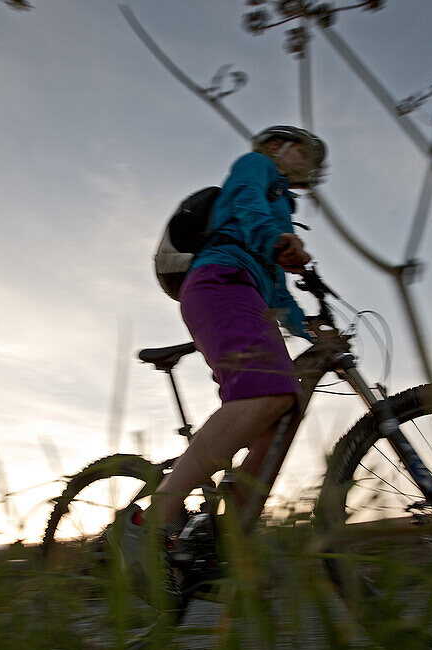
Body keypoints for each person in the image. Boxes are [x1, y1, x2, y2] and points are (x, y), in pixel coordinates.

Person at [111, 125, 327, 605]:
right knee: (266, 394)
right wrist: (277, 239)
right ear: (276, 147)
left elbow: (275, 292)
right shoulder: (256, 170)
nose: (308, 163)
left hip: (245, 289)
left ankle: (222, 547)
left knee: (283, 413)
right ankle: (149, 525)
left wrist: (311, 329)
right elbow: (248, 207)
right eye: (303, 152)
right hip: (218, 280)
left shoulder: (282, 206)